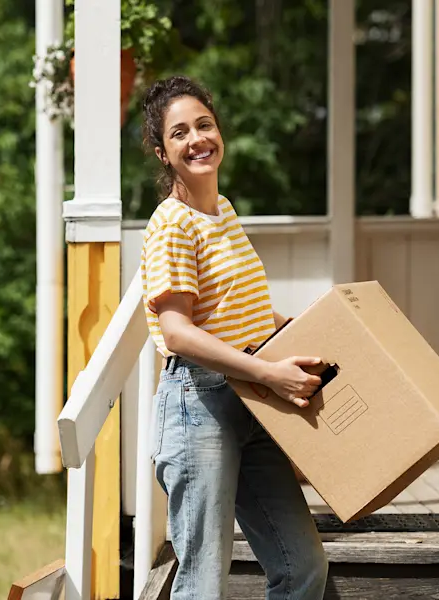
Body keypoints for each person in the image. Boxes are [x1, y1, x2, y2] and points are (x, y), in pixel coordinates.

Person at [140, 75, 329, 600]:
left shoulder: (222, 212)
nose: (197, 139)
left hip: (252, 400)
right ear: (162, 152)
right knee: (201, 586)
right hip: (200, 404)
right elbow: (177, 332)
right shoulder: (172, 224)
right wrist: (269, 371)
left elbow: (233, 308)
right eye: (180, 133)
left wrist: (292, 328)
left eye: (205, 125)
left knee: (303, 566)